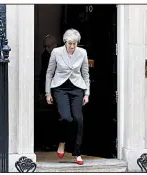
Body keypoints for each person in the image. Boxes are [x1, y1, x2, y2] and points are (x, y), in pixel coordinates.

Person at [45, 29, 90, 165]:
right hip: (60, 88)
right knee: (66, 117)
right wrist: (48, 92)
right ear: (65, 42)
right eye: (70, 43)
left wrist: (87, 93)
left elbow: (85, 74)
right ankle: (62, 141)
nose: (72, 46)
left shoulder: (82, 53)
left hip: (77, 88)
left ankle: (77, 153)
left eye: (75, 44)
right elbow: (49, 72)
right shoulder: (56, 52)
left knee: (78, 119)